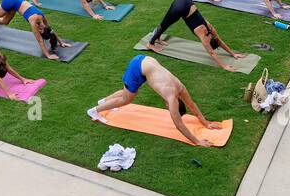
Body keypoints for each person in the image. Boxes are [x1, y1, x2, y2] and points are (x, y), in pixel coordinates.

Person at [87, 55, 221, 146]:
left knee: (127, 92)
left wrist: (205, 123)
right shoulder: (172, 98)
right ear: (173, 105)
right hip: (138, 67)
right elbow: (179, 125)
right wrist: (197, 141)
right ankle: (94, 111)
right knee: (126, 99)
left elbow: (192, 105)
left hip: (146, 60)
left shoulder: (180, 87)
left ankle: (103, 101)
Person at [141, 0, 245, 72]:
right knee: (164, 24)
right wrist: (224, 66)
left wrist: (233, 54)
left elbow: (219, 41)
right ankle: (150, 44)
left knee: (167, 23)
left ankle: (157, 38)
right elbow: (212, 53)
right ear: (210, 41)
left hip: (187, 1)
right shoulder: (203, 37)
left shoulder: (210, 29)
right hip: (180, 8)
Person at [0, 0, 68, 61]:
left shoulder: (43, 21)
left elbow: (51, 31)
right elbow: (40, 41)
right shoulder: (34, 22)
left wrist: (61, 42)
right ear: (41, 30)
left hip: (16, 2)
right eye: (40, 32)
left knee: (5, 21)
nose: (39, 31)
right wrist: (48, 55)